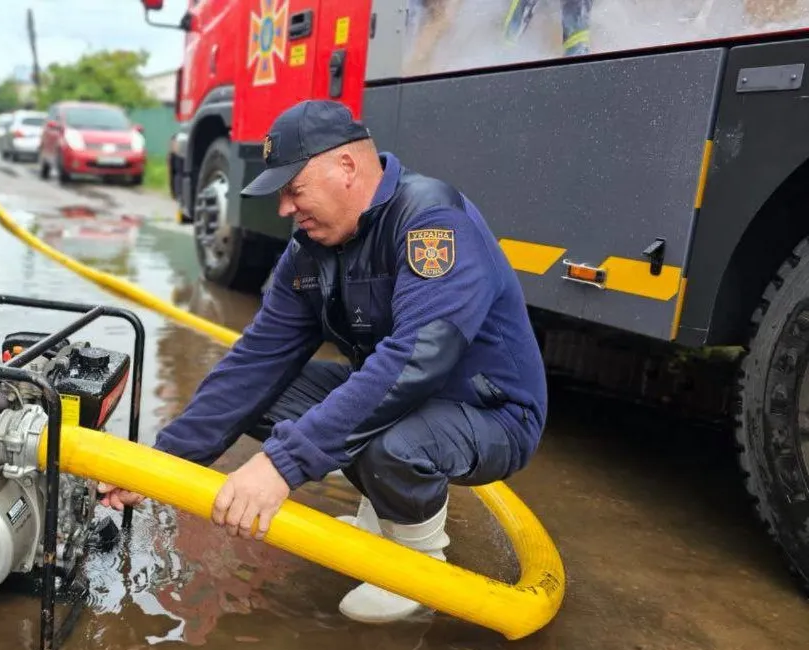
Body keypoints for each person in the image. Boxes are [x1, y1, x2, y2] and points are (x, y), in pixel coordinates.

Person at [101, 99, 548, 623]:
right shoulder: (311, 249)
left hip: (491, 412)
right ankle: (385, 514)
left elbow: (418, 359)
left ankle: (417, 566)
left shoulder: (431, 222)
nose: (286, 208)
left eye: (294, 190)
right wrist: (161, 462)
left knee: (391, 444)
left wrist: (280, 466)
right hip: (410, 398)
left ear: (347, 167)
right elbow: (256, 361)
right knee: (277, 397)